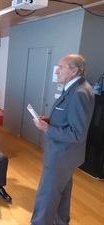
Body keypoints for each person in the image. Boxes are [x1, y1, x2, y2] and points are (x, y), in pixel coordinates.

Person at [30, 54, 95, 225]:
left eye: (61, 67)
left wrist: (47, 128)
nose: (57, 71)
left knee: (46, 197)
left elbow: (77, 133)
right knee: (62, 195)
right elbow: (69, 119)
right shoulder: (76, 88)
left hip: (61, 156)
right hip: (66, 157)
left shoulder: (79, 93)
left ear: (74, 70)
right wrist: (50, 120)